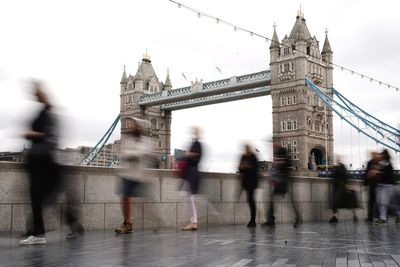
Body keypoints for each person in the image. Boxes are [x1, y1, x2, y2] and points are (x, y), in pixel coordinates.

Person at [20, 81, 59, 245]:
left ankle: (38, 233)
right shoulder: (43, 112)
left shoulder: (47, 114)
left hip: (42, 160)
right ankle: (36, 231)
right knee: (38, 197)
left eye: (36, 92)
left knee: (38, 197)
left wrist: (31, 133)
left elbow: (48, 136)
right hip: (38, 160)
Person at [115, 118, 150, 234]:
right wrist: (128, 154)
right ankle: (127, 223)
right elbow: (124, 153)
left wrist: (128, 153)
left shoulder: (145, 141)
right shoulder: (128, 139)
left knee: (145, 202)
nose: (131, 127)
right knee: (125, 198)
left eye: (134, 125)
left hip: (138, 176)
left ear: (139, 127)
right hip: (127, 174)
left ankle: (155, 221)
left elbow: (137, 154)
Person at [262, 141, 299, 228]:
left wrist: (272, 174)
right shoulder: (279, 152)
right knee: (284, 201)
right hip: (280, 181)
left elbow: (282, 165)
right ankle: (272, 220)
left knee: (284, 202)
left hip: (282, 181)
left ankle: (271, 220)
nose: (272, 146)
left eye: (273, 144)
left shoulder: (281, 152)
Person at [182, 127, 202, 231]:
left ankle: (193, 221)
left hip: (192, 173)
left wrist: (188, 154)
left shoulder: (197, 144)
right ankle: (193, 221)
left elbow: (196, 158)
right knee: (189, 197)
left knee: (190, 198)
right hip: (191, 173)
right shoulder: (196, 143)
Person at [329, 157, 359, 224]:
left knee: (335, 202)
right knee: (349, 202)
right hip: (343, 188)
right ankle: (354, 215)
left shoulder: (337, 168)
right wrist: (347, 186)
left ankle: (334, 217)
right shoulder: (343, 168)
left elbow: (333, 177)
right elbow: (346, 178)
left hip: (338, 189)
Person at [238, 144, 259, 227]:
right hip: (246, 182)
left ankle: (253, 220)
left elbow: (255, 169)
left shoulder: (253, 156)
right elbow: (240, 169)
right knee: (250, 200)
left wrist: (246, 167)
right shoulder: (243, 156)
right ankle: (252, 220)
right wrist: (242, 167)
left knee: (251, 200)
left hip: (252, 182)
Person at [375, 149, 394, 225]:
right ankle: (382, 218)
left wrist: (379, 172)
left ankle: (383, 218)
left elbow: (388, 174)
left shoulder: (388, 164)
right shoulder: (380, 163)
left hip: (387, 185)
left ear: (385, 155)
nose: (381, 155)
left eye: (382, 154)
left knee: (384, 202)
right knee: (380, 202)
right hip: (380, 185)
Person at [364, 152, 380, 223]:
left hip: (379, 186)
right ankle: (370, 218)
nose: (373, 156)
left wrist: (375, 173)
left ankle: (380, 217)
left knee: (379, 202)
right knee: (370, 202)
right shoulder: (369, 163)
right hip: (372, 185)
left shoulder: (381, 163)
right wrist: (365, 184)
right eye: (373, 155)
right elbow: (367, 173)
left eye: (375, 155)